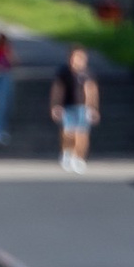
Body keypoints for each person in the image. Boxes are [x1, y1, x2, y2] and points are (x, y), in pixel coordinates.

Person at [49, 46, 99, 174]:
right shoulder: (64, 72)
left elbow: (91, 90)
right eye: (73, 57)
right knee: (68, 132)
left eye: (79, 57)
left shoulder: (87, 73)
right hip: (67, 106)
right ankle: (67, 152)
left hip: (82, 107)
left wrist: (93, 108)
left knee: (82, 134)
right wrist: (55, 105)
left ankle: (79, 157)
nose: (76, 60)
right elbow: (58, 89)